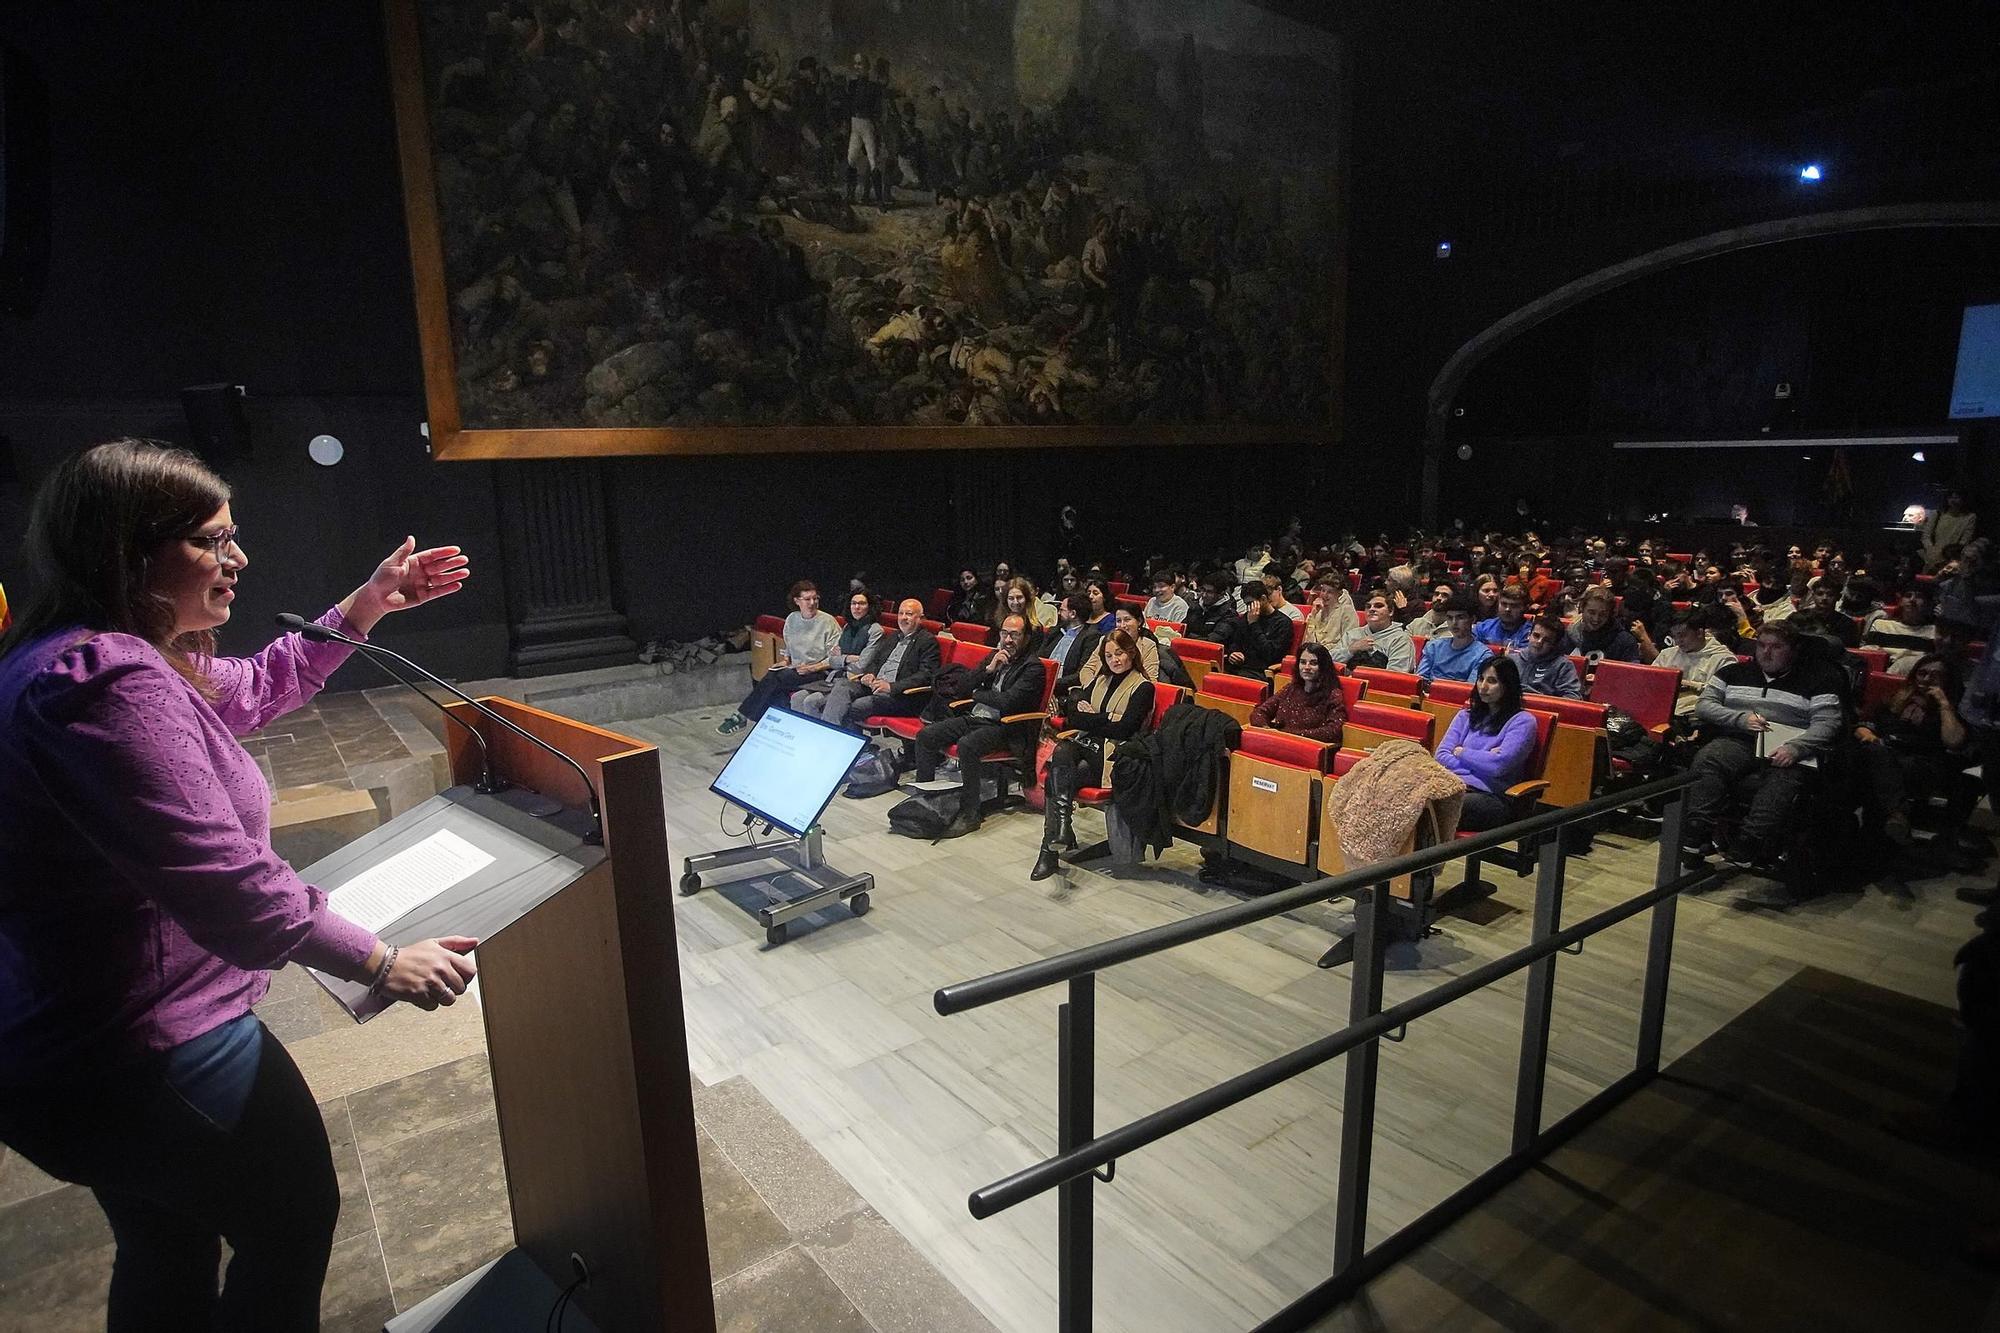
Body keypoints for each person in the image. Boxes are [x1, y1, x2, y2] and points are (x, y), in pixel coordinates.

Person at [0, 439, 479, 1330]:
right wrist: (379, 960)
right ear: (130, 551)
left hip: (70, 1051)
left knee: (168, 1243)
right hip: (142, 1049)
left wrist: (369, 604)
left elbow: (261, 681)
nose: (238, 558)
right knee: (293, 1224)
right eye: (213, 540)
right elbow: (231, 886)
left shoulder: (91, 653)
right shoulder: (106, 682)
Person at [1683, 621, 1846, 870]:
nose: (1766, 652)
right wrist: (1739, 719)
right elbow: (1705, 705)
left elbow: (1828, 723)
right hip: (1740, 737)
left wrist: (1797, 747)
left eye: (1776, 647)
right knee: (1710, 758)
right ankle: (1696, 831)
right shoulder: (1733, 672)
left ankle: (1750, 841)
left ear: (1793, 649)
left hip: (1788, 745)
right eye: (1761, 645)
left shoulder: (1820, 679)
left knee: (1784, 777)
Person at [1032, 631, 1155, 879]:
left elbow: (1125, 728)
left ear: (1131, 652)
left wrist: (1092, 718)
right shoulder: (1101, 680)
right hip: (1086, 745)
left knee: (1058, 776)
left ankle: (1051, 849)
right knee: (1062, 756)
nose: (1114, 660)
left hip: (1113, 755)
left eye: (1119, 653)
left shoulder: (1143, 687)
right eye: (1108, 655)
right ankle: (1060, 832)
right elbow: (1073, 715)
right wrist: (1104, 718)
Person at [912, 614, 1048, 836]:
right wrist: (988, 670)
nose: (1008, 639)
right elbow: (961, 687)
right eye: (1005, 633)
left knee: (968, 745)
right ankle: (924, 797)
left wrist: (977, 694)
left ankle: (970, 813)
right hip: (976, 719)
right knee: (926, 736)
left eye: (1015, 634)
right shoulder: (996, 657)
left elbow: (1008, 702)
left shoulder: (1033, 668)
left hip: (1007, 728)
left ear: (1026, 637)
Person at [1854, 653, 1967, 846]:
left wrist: (1944, 704)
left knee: (1877, 763)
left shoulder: (1954, 707)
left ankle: (1885, 826)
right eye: (1922, 673)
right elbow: (1864, 724)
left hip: (1921, 762)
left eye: (1935, 675)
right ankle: (1895, 816)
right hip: (1881, 750)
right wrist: (1868, 735)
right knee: (1867, 755)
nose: (1927, 679)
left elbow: (1954, 741)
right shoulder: (1895, 697)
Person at [718, 579, 839, 734]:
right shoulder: (792, 619)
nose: (812, 603)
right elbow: (789, 646)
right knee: (776, 687)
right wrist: (785, 661)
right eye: (807, 599)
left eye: (815, 598)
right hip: (796, 669)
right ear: (797, 601)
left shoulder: (828, 622)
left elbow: (835, 658)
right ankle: (774, 729)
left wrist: (812, 668)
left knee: (774, 678)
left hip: (820, 672)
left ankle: (742, 716)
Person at [1435, 656, 1539, 831]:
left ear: (1508, 686)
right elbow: (1441, 755)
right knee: (1410, 799)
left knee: (1432, 808)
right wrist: (1485, 759)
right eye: (1481, 679)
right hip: (1452, 786)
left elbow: (1499, 766)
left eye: (1492, 681)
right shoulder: (1466, 715)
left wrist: (1461, 752)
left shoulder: (1522, 721)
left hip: (1493, 797)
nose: (1483, 686)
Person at [812, 598, 940, 728]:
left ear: (921, 618)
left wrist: (892, 686)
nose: (903, 618)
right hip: (874, 686)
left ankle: (842, 740)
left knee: (855, 706)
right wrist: (870, 674)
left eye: (909, 614)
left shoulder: (927, 641)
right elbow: (876, 661)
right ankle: (833, 736)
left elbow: (926, 675)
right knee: (843, 685)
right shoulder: (893, 636)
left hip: (900, 695)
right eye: (901, 613)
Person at [789, 589, 882, 719]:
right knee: (797, 698)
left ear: (869, 606)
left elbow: (861, 665)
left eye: (861, 604)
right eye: (853, 603)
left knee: (811, 702)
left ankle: (821, 737)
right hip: (835, 677)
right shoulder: (847, 627)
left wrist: (840, 659)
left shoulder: (875, 630)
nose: (856, 607)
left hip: (857, 681)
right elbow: (832, 659)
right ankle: (800, 736)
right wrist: (848, 658)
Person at [1248, 642, 1345, 743]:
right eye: (1303, 662)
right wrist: (1267, 730)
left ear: (1324, 667)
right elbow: (1259, 712)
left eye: (1313, 663)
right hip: (1278, 742)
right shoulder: (1291, 688)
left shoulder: (1333, 694)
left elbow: (1334, 731)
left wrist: (1292, 736)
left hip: (1306, 748)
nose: (1306, 667)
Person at [1652, 605, 1736, 718]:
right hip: (1660, 706)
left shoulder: (1724, 659)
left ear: (1699, 633)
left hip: (1695, 716)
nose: (1677, 641)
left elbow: (1722, 695)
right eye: (1675, 636)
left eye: (1682, 635)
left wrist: (1689, 685)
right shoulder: (1667, 654)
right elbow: (1650, 681)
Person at [1220, 581, 1293, 676]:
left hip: (1261, 670)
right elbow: (1235, 642)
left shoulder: (1283, 623)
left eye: (1251, 603)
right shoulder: (1246, 618)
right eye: (1246, 604)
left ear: (1263, 599)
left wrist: (1254, 625)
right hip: (1240, 666)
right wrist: (1233, 654)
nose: (1249, 608)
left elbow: (1270, 654)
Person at [1862, 585, 1938, 674]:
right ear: (1900, 601)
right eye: (1908, 596)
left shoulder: (1934, 632)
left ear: (1927, 603)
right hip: (1882, 672)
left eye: (1919, 597)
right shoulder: (1881, 625)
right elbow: (1870, 654)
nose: (1912, 600)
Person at [1561, 586, 1643, 668]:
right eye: (1591, 612)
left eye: (1602, 614)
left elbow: (1631, 676)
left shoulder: (1625, 641)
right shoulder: (1569, 635)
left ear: (1610, 615)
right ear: (1582, 608)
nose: (1596, 619)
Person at [1330, 592, 1415, 671]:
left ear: (1390, 611)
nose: (1372, 609)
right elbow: (1328, 661)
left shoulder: (1401, 639)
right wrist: (1351, 650)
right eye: (1368, 606)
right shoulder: (1352, 634)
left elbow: (1395, 676)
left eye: (1378, 606)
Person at [1416, 595, 1489, 683]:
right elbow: (1419, 681)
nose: (1454, 623)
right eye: (1450, 618)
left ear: (1472, 619)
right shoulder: (1433, 647)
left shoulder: (1483, 655)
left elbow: (1470, 689)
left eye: (1460, 617)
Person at [1515, 615, 1584, 698]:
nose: (1539, 642)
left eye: (1547, 640)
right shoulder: (1512, 659)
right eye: (1536, 636)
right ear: (1529, 635)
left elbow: (1573, 697)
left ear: (1554, 644)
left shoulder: (1563, 666)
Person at [1048, 593, 1104, 692]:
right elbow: (1039, 656)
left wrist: (1051, 684)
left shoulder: (1091, 636)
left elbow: (1081, 674)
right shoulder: (1056, 630)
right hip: (1042, 679)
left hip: (1062, 686)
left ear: (1073, 614)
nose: (1058, 613)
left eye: (1062, 610)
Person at [1301, 574, 1359, 651]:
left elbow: (1348, 643)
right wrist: (1313, 615)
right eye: (1323, 590)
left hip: (1334, 654)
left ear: (1339, 594)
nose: (1324, 595)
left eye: (1330, 592)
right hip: (1313, 652)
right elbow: (1307, 640)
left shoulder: (1347, 611)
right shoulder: (1317, 610)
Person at [1922, 490, 1978, 570]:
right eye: (1951, 497)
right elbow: (1926, 536)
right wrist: (1930, 549)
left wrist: (1953, 554)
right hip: (1932, 554)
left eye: (1957, 497)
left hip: (1953, 556)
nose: (1953, 500)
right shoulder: (1937, 514)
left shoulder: (1970, 517)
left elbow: (1965, 539)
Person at [1473, 582, 1532, 651]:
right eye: (1504, 604)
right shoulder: (1483, 627)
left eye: (1514, 606)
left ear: (1525, 608)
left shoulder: (1531, 634)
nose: (1507, 609)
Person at [1183, 572, 1236, 642]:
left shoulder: (1229, 614)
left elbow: (1215, 639)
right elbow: (1183, 628)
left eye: (1209, 592)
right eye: (1203, 590)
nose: (1204, 595)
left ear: (1221, 594)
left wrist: (1189, 637)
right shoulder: (1196, 606)